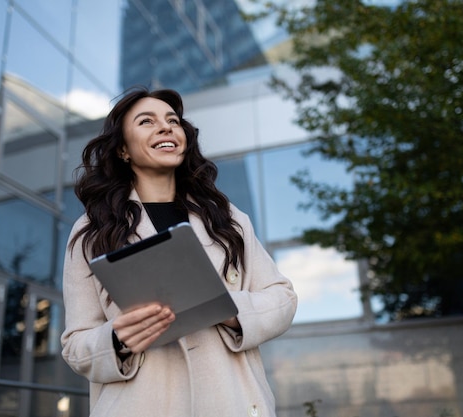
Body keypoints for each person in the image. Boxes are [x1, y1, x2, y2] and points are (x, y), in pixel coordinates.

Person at [61, 86, 297, 417]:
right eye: (146, 121)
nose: (166, 127)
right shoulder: (93, 230)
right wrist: (117, 339)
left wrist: (227, 309)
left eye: (173, 120)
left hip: (233, 403)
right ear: (123, 150)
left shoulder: (225, 217)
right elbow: (75, 346)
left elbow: (282, 298)